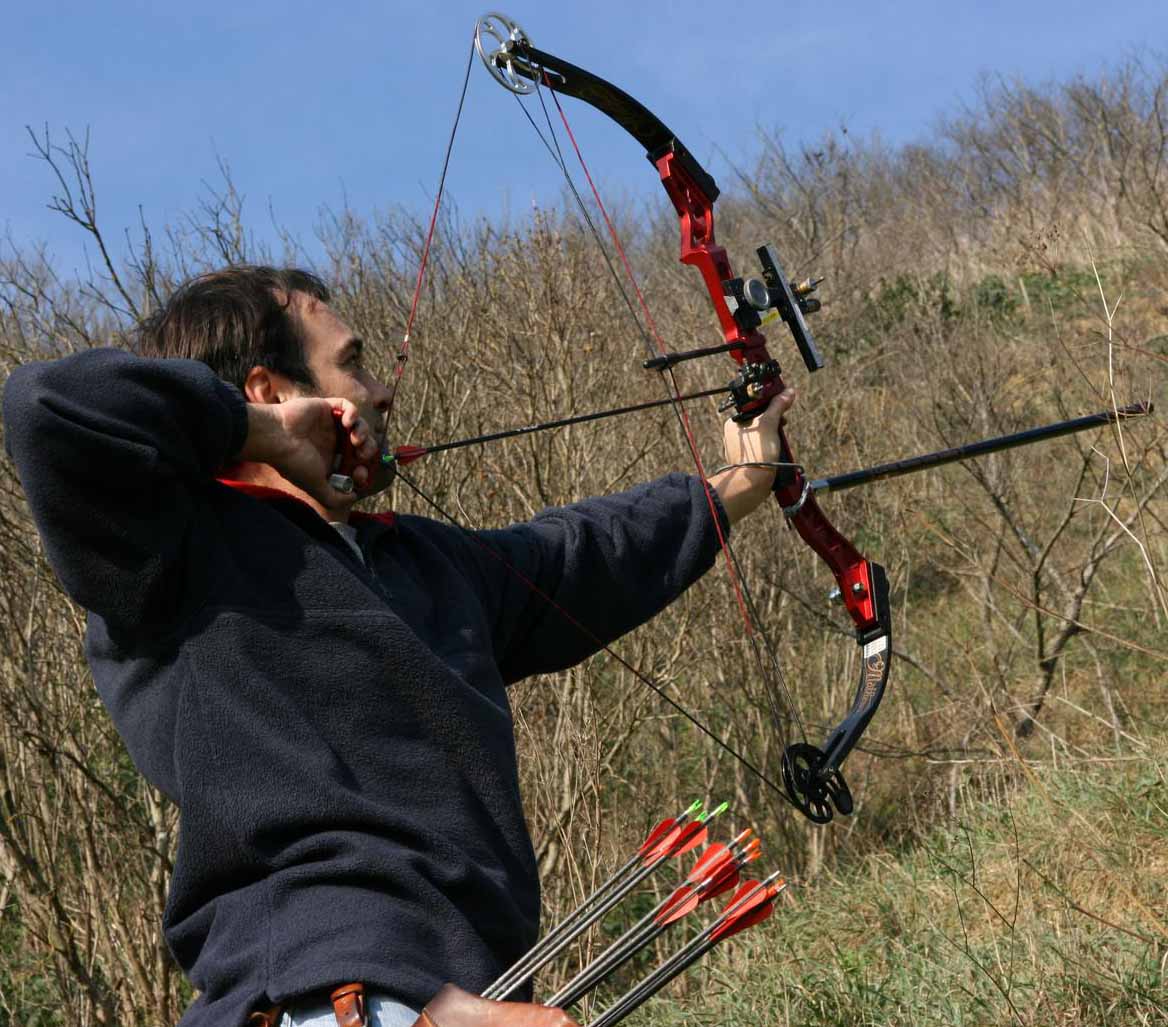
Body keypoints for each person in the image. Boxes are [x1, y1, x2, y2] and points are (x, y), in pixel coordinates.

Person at [2, 266, 793, 1027]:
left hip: (463, 991)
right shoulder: (176, 550)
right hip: (323, 994)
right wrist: (260, 436)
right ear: (270, 390)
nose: (382, 390)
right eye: (351, 364)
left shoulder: (429, 565)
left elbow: (585, 555)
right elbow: (46, 405)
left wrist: (739, 480)